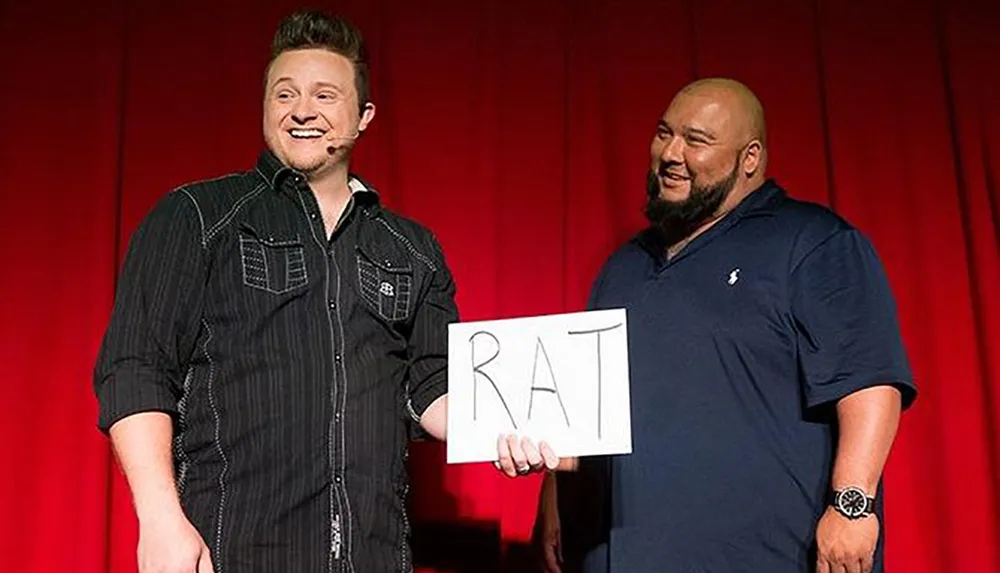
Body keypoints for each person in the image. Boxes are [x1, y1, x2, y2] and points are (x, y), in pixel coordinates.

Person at [92, 10, 552, 573]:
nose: (302, 110)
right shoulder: (195, 217)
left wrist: (511, 428)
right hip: (231, 554)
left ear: (363, 116)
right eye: (284, 94)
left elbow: (431, 388)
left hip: (375, 558)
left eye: (325, 95)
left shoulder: (413, 249)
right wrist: (160, 520)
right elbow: (136, 367)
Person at [529, 78, 918, 573]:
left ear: (749, 158)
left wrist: (852, 506)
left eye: (696, 140)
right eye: (664, 133)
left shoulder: (814, 243)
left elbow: (868, 380)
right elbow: (583, 401)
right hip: (617, 552)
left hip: (763, 554)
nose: (671, 153)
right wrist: (555, 498)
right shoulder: (623, 266)